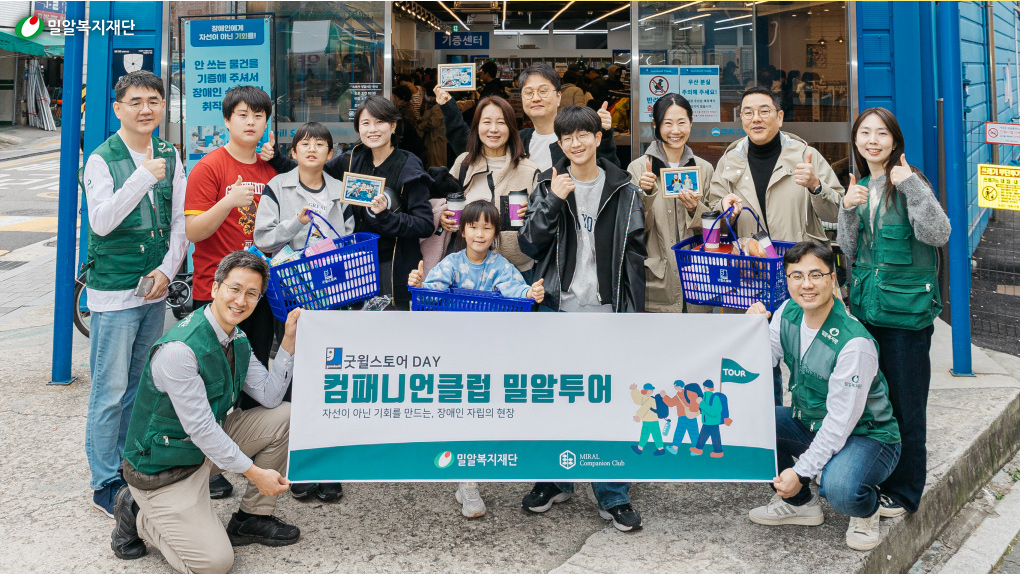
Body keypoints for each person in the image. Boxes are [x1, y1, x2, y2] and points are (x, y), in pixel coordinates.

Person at [110, 252, 302, 570]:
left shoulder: (236, 338)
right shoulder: (179, 351)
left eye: (252, 293)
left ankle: (252, 518)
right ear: (214, 288)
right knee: (215, 565)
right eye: (234, 289)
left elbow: (270, 397)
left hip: (200, 453)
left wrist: (289, 340)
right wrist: (256, 474)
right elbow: (202, 429)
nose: (241, 300)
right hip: (165, 470)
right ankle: (138, 515)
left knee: (285, 416)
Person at [517, 105, 646, 532]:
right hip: (559, 310)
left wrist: (632, 312)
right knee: (555, 398)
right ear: (559, 142)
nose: (576, 143)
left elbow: (636, 255)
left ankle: (613, 492)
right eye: (567, 137)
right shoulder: (547, 182)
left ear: (597, 137)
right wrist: (554, 199)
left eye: (583, 134)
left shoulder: (623, 187)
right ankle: (555, 479)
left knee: (611, 402)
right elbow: (529, 243)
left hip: (608, 313)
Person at [745, 240, 902, 552]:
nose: (806, 284)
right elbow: (761, 361)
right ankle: (800, 504)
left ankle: (866, 509)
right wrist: (751, 328)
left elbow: (841, 422)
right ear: (787, 280)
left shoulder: (854, 343)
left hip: (868, 437)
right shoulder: (787, 312)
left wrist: (800, 471)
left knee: (840, 488)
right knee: (750, 424)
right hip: (810, 423)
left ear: (832, 279)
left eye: (816, 275)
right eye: (797, 276)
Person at [82, 70, 188, 517]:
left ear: (164, 106)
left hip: (153, 292)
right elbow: (101, 221)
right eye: (136, 102)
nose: (146, 109)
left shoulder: (170, 153)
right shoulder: (101, 160)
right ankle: (104, 482)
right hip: (114, 295)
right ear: (118, 108)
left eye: (154, 101)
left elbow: (180, 221)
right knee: (108, 391)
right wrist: (142, 176)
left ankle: (127, 465)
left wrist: (167, 270)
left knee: (139, 386)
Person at [838, 107, 950, 518]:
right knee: (871, 403)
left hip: (905, 317)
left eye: (881, 133)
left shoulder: (910, 179)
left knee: (906, 405)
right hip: (867, 313)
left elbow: (938, 234)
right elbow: (849, 251)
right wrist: (846, 208)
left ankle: (904, 492)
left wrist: (912, 188)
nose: (873, 140)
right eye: (865, 133)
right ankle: (877, 475)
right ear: (856, 140)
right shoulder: (859, 185)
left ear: (894, 140)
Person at [706, 85, 844, 406]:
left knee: (810, 359)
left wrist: (816, 186)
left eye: (764, 111)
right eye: (748, 112)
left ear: (779, 117)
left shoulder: (805, 156)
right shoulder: (730, 160)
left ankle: (811, 423)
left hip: (801, 275)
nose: (756, 118)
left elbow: (837, 211)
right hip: (749, 277)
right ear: (741, 119)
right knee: (755, 361)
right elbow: (712, 212)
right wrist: (722, 208)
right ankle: (768, 424)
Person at [186, 85, 279, 499]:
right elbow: (193, 231)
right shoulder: (209, 167)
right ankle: (208, 467)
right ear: (227, 121)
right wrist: (228, 201)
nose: (251, 122)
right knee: (213, 382)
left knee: (253, 378)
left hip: (259, 294)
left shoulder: (271, 172)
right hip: (216, 292)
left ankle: (250, 458)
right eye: (242, 115)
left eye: (258, 116)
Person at [264, 95, 434, 310]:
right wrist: (276, 158)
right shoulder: (352, 159)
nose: (372, 129)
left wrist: (386, 216)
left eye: (380, 122)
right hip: (355, 269)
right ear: (358, 128)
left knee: (392, 325)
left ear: (393, 126)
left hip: (392, 267)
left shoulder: (408, 167)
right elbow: (313, 171)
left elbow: (424, 224)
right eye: (365, 123)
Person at [432, 90, 540, 276]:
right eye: (487, 122)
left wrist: (532, 214)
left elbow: (544, 223)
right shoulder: (463, 164)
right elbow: (443, 202)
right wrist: (442, 217)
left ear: (511, 128)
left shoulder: (529, 171)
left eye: (501, 122)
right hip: (467, 271)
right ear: (476, 127)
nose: (493, 129)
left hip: (518, 271)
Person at [441, 63, 619, 172]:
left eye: (543, 91)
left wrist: (604, 134)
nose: (535, 98)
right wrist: (449, 108)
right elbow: (471, 149)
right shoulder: (518, 139)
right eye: (528, 92)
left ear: (558, 97)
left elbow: (609, 171)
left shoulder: (577, 138)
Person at [627, 93, 715, 313]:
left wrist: (695, 209)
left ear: (691, 123)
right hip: (657, 283)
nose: (675, 130)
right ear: (655, 125)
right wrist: (645, 194)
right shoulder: (638, 168)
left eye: (682, 122)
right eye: (667, 123)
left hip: (699, 280)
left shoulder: (704, 169)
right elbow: (632, 230)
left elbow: (716, 229)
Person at [254, 121, 354, 256]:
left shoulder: (340, 190)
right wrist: (296, 223)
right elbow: (262, 240)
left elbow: (349, 239)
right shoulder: (276, 187)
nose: (312, 149)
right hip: (291, 269)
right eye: (305, 144)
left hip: (333, 267)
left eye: (319, 144)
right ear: (293, 152)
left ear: (330, 154)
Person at [689, 380, 731, 458]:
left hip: (713, 422)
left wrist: (701, 403)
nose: (703, 388)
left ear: (707, 388)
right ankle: (698, 449)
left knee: (715, 438)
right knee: (702, 436)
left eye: (704, 387)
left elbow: (714, 411)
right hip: (706, 422)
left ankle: (718, 452)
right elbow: (704, 410)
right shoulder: (704, 397)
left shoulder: (715, 397)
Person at [661, 381, 702, 454]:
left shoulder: (685, 393)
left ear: (678, 386)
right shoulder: (680, 394)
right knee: (691, 432)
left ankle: (675, 448)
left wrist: (664, 396)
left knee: (682, 431)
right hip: (687, 416)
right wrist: (664, 396)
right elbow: (671, 403)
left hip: (686, 416)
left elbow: (671, 403)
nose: (674, 387)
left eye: (675, 385)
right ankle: (695, 449)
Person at [417, 81, 449, 169]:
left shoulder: (439, 105)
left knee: (437, 162)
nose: (424, 95)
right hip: (429, 138)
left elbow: (433, 122)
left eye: (425, 92)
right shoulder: (429, 104)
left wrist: (420, 126)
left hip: (436, 139)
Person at [393, 84, 428, 160]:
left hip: (412, 148)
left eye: (395, 97)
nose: (394, 100)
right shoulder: (401, 108)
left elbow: (405, 132)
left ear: (403, 98)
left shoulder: (408, 111)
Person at [629, 383, 666, 455]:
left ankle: (640, 448)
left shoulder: (651, 399)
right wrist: (634, 390)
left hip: (648, 420)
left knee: (645, 434)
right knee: (656, 434)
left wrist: (638, 415)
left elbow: (645, 407)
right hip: (653, 420)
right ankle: (660, 449)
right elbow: (637, 400)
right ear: (645, 390)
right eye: (650, 390)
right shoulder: (646, 398)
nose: (651, 391)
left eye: (652, 390)